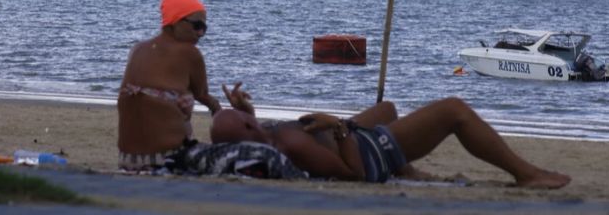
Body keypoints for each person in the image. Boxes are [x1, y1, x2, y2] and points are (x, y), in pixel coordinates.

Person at [211, 90, 570, 189]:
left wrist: (247, 114)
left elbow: (257, 138)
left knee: (387, 108)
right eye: (244, 119)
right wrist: (339, 128)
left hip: (352, 138)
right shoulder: (292, 145)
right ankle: (526, 173)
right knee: (454, 110)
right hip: (368, 153)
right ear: (245, 132)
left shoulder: (265, 139)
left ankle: (407, 172)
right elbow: (353, 175)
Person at [117, 0, 222, 171]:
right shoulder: (190, 54)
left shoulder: (137, 49)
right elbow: (203, 95)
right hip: (169, 159)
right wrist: (221, 110)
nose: (200, 34)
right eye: (197, 26)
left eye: (204, 28)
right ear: (175, 22)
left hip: (127, 159)